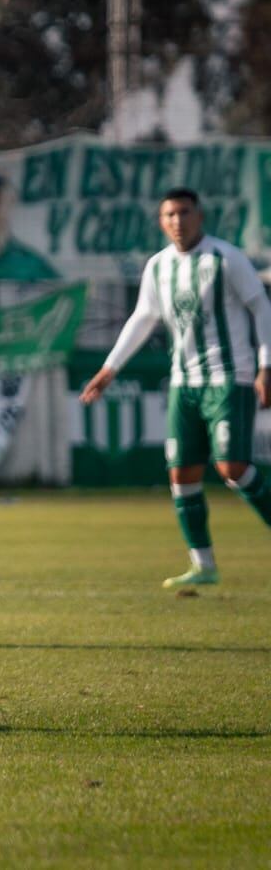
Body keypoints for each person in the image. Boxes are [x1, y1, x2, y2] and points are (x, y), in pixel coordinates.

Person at [80, 187, 271, 589]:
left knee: (232, 468)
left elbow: (261, 307)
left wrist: (266, 366)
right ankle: (203, 565)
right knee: (181, 474)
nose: (178, 221)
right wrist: (109, 368)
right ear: (161, 221)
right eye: (170, 214)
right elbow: (143, 317)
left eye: (185, 212)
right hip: (183, 384)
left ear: (200, 215)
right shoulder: (158, 266)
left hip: (228, 378)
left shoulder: (225, 258)